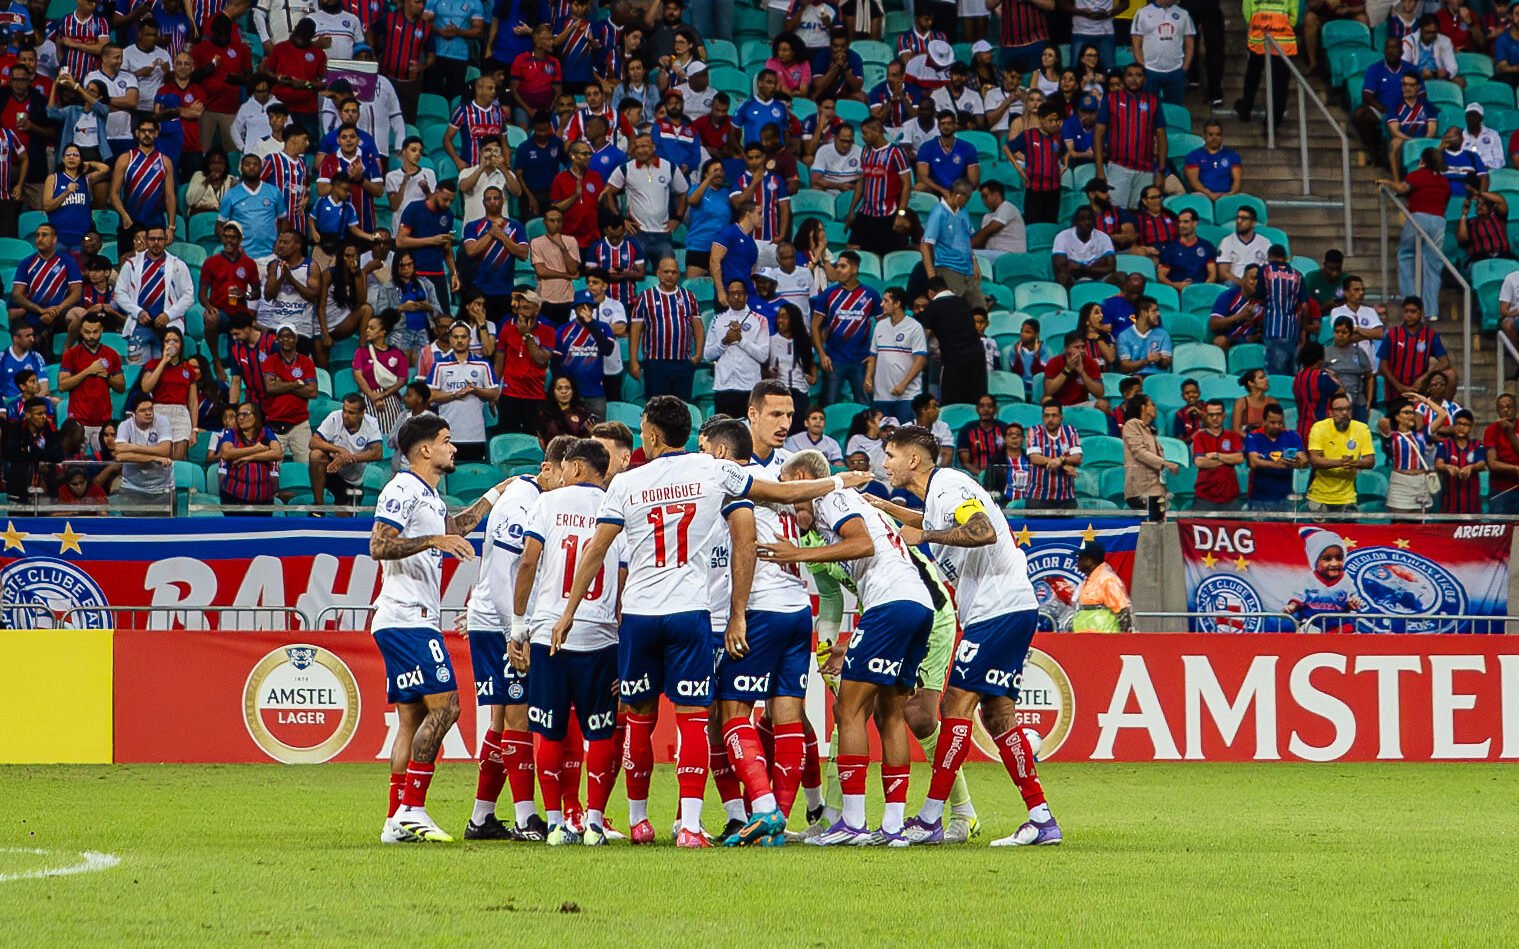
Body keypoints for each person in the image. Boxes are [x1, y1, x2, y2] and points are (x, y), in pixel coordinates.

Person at [549, 396, 869, 846]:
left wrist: (568, 612)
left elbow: (595, 550)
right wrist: (838, 480)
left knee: (638, 718)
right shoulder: (714, 470)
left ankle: (639, 822)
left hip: (640, 613)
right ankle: (693, 827)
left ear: (654, 434)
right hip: (691, 613)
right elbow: (784, 494)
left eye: (643, 429)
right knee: (695, 719)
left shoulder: (626, 483)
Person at [872, 425, 1058, 846]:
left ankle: (932, 817)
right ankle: (1041, 818)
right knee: (996, 716)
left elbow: (981, 530)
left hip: (999, 610)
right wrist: (886, 508)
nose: (885, 463)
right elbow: (933, 523)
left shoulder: (950, 484)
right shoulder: (939, 495)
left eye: (890, 455)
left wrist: (927, 536)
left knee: (955, 704)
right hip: (1003, 610)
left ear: (913, 460)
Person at [754, 445, 934, 846]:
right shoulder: (847, 502)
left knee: (848, 708)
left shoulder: (831, 496)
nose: (787, 506)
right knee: (890, 713)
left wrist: (798, 554)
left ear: (801, 479)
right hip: (916, 605)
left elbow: (862, 543)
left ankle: (852, 823)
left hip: (891, 604)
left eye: (785, 489)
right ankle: (892, 827)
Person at [370, 414, 511, 844]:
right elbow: (378, 544)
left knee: (411, 721)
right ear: (425, 449)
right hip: (406, 617)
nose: (455, 449)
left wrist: (493, 496)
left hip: (409, 618)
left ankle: (395, 820)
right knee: (448, 708)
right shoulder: (402, 488)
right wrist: (433, 543)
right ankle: (413, 808)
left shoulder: (428, 495)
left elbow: (451, 529)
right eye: (447, 441)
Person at [1377, 150, 1451, 321]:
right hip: (1439, 221)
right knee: (1433, 265)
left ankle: (1409, 301)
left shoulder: (1417, 175)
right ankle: (1431, 311)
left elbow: (1403, 188)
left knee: (1406, 254)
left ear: (1423, 160)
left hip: (1419, 217)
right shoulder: (1443, 181)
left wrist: (1386, 182)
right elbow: (1444, 202)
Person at [113, 222, 194, 366]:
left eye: (160, 239)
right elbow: (119, 293)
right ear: (146, 240)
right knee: (137, 372)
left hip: (168, 327)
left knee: (166, 371)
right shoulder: (131, 264)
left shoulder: (178, 265)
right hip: (140, 325)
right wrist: (137, 312)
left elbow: (188, 296)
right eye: (152, 239)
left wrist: (168, 314)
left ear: (166, 240)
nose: (156, 243)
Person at [1093, 63, 1166, 209]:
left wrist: (1160, 171)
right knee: (1115, 212)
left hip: (1146, 170)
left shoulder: (1152, 101)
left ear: (1144, 79)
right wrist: (1100, 170)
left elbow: (1161, 137)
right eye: (1130, 75)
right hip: (1119, 167)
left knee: (1140, 215)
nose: (1134, 79)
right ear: (1124, 78)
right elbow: (1098, 135)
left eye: (1138, 75)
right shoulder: (1111, 99)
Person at [629, 257, 703, 400]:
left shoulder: (689, 296)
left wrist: (698, 355)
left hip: (682, 362)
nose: (670, 275)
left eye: (674, 272)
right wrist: (633, 361)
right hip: (655, 363)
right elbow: (635, 330)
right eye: (666, 271)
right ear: (658, 273)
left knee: (682, 407)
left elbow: (698, 327)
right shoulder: (645, 297)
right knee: (657, 408)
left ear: (679, 275)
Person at [702, 279, 769, 418]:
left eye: (739, 293)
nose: (736, 297)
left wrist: (741, 340)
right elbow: (707, 355)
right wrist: (725, 341)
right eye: (732, 293)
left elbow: (763, 355)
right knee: (724, 433)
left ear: (746, 295)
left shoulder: (760, 320)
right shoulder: (717, 320)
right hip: (723, 387)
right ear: (727, 296)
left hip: (749, 387)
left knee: (748, 432)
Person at [58, 311, 123, 448]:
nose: (91, 336)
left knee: (103, 463)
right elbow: (62, 385)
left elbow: (121, 387)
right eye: (87, 332)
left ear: (101, 330)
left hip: (103, 422)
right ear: (81, 330)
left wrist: (107, 376)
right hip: (78, 421)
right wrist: (88, 371)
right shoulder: (71, 354)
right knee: (76, 464)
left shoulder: (111, 354)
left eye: (95, 332)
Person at [919, 178, 986, 310]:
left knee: (979, 308)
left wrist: (974, 261)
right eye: (966, 199)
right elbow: (925, 245)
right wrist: (932, 276)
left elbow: (967, 237)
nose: (967, 202)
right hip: (948, 268)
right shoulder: (938, 212)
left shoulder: (963, 211)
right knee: (952, 309)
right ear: (957, 196)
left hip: (968, 269)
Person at [494, 290, 555, 435]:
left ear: (537, 308)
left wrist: (527, 335)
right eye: (520, 308)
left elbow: (541, 359)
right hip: (510, 394)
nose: (522, 312)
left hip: (535, 395)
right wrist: (495, 389)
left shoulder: (548, 332)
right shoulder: (506, 330)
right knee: (508, 436)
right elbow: (499, 363)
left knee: (533, 437)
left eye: (527, 307)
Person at [865, 287, 928, 422]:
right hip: (881, 395)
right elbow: (873, 356)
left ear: (897, 304)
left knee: (906, 437)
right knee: (883, 437)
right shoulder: (880, 326)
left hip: (907, 396)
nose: (881, 304)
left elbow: (920, 361)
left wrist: (903, 385)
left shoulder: (914, 327)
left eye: (886, 301)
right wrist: (868, 377)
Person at [1306, 392, 1374, 513]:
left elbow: (1370, 461)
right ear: (1330, 412)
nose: (1344, 413)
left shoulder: (1362, 429)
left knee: (1349, 531)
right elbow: (1315, 460)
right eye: (1339, 409)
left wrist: (1355, 464)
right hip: (1319, 496)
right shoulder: (1319, 428)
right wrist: (1341, 462)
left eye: (1348, 409)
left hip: (1348, 497)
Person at [1379, 295, 1452, 408]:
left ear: (1421, 313)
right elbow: (1383, 366)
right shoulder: (1393, 334)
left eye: (1413, 311)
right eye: (1406, 311)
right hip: (1396, 391)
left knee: (1451, 374)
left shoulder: (1430, 335)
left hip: (1421, 390)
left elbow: (1444, 362)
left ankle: (1445, 409)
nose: (1409, 315)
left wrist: (1424, 378)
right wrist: (1399, 386)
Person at [1235, 0, 1297, 130]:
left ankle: (1246, 108)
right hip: (1282, 41)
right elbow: (1294, 18)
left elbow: (1247, 13)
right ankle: (1272, 124)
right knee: (1280, 85)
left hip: (1259, 37)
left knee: (1253, 74)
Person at [140, 325, 198, 460]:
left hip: (181, 413)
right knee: (161, 456)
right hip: (159, 411)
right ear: (163, 344)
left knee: (178, 457)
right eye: (167, 341)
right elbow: (146, 387)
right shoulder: (153, 364)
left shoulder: (188, 368)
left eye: (175, 341)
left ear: (181, 345)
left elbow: (193, 401)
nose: (171, 344)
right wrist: (164, 361)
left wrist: (194, 429)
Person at [215, 400, 282, 511]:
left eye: (245, 414)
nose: (240, 418)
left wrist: (249, 457)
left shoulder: (266, 433)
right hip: (234, 498)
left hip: (264, 500)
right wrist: (256, 449)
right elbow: (226, 453)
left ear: (256, 416)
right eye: (238, 415)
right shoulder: (231, 433)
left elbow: (277, 453)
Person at [1381, 394, 1443, 514]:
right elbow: (1383, 421)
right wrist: (1400, 404)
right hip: (1400, 484)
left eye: (1413, 413)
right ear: (1397, 416)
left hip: (1421, 483)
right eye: (1406, 413)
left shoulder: (1421, 435)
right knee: (1400, 525)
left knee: (1419, 527)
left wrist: (1424, 400)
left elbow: (1442, 415)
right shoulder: (1392, 436)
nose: (1411, 416)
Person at [353, 310, 409, 434]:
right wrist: (373, 397)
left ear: (382, 333)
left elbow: (402, 379)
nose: (367, 330)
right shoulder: (361, 352)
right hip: (367, 399)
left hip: (391, 399)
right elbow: (358, 376)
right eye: (367, 327)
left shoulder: (397, 354)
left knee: (392, 437)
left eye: (371, 328)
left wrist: (383, 395)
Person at [1121, 393, 1176, 519]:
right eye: (1151, 404)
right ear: (1142, 407)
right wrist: (1165, 463)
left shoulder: (1149, 430)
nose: (1155, 407)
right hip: (1141, 489)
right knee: (1149, 528)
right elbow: (1139, 452)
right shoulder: (1131, 425)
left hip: (1156, 490)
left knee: (1159, 526)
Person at [114, 392, 174, 506]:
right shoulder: (125, 425)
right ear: (133, 414)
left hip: (162, 488)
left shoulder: (162, 421)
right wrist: (154, 458)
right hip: (133, 488)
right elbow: (120, 455)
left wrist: (132, 447)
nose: (148, 413)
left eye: (150, 409)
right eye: (143, 410)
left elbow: (165, 450)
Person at [1131, 0, 1195, 106]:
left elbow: (1190, 45)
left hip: (1175, 71)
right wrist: (1142, 66)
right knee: (1147, 109)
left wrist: (1184, 68)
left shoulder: (1184, 14)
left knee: (1175, 110)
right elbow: (1136, 44)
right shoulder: (1142, 13)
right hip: (1150, 71)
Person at [1025, 398, 1083, 511]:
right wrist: (1064, 464)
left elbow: (1077, 458)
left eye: (1054, 415)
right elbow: (1034, 458)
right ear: (1042, 417)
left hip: (1066, 498)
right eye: (1047, 416)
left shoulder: (1070, 431)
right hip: (1037, 497)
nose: (1050, 419)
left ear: (1061, 417)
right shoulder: (1034, 431)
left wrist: (1060, 460)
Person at [1190, 398, 1243, 512]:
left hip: (1230, 495)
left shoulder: (1233, 436)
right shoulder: (1199, 437)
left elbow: (1239, 458)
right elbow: (1200, 462)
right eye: (1211, 415)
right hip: (1205, 496)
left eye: (1218, 414)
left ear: (1224, 415)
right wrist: (1228, 459)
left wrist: (1216, 455)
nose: (1214, 418)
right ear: (1206, 416)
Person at [1070, 540, 1134, 633]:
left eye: (1080, 558)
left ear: (1089, 560)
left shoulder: (1107, 580)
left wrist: (1123, 640)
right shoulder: (1087, 581)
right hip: (1085, 638)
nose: (1077, 562)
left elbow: (1123, 611)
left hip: (1105, 639)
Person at [1434, 409, 1486, 515]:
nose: (1461, 427)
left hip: (1472, 507)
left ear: (1471, 427)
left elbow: (1482, 464)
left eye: (1465, 424)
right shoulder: (1444, 444)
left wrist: (1471, 468)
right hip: (1450, 507)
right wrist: (1448, 467)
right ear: (1453, 425)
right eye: (1458, 423)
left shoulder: (1477, 445)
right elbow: (1438, 464)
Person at [1051, 205, 1117, 288]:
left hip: (1098, 277)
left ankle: (1111, 300)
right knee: (1062, 277)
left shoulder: (1104, 237)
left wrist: (1081, 267)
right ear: (1075, 222)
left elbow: (1111, 268)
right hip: (1073, 278)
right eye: (1082, 219)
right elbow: (1061, 267)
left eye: (1090, 219)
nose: (1087, 222)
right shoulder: (1062, 236)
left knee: (1119, 277)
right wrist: (1096, 265)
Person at [1043, 330, 1104, 407]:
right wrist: (1067, 369)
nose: (1081, 351)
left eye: (1083, 347)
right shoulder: (1054, 362)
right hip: (1058, 405)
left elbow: (1099, 394)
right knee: (1046, 400)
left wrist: (1082, 373)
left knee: (1102, 404)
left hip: (1082, 404)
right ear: (1066, 348)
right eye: (1077, 347)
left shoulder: (1091, 363)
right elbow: (1048, 392)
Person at [1216, 205, 1270, 285]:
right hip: (1235, 283)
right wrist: (1243, 284)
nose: (1239, 221)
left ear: (1253, 223)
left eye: (1244, 218)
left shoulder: (1265, 243)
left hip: (1257, 283)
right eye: (1238, 218)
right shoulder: (1226, 242)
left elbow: (1269, 270)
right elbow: (1223, 273)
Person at [956, 394, 1004, 478]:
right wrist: (982, 476)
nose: (986, 409)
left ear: (996, 409)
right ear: (977, 409)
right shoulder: (966, 430)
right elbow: (965, 462)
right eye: (982, 406)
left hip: (1001, 476)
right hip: (975, 476)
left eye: (990, 406)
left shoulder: (1004, 429)